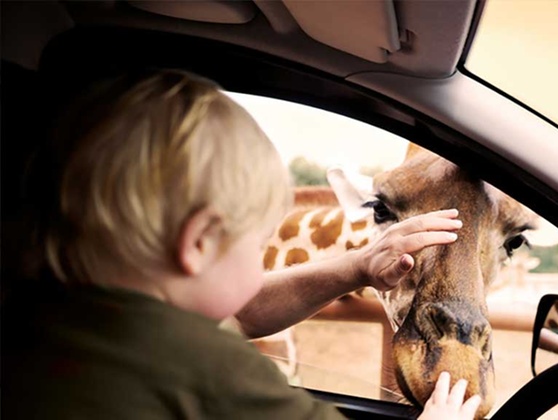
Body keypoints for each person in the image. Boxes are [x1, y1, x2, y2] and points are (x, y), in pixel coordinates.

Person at [3, 69, 481, 419]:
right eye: (257, 244)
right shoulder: (207, 366)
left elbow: (238, 310)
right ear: (199, 243)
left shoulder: (35, 320)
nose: (262, 260)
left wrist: (357, 267)